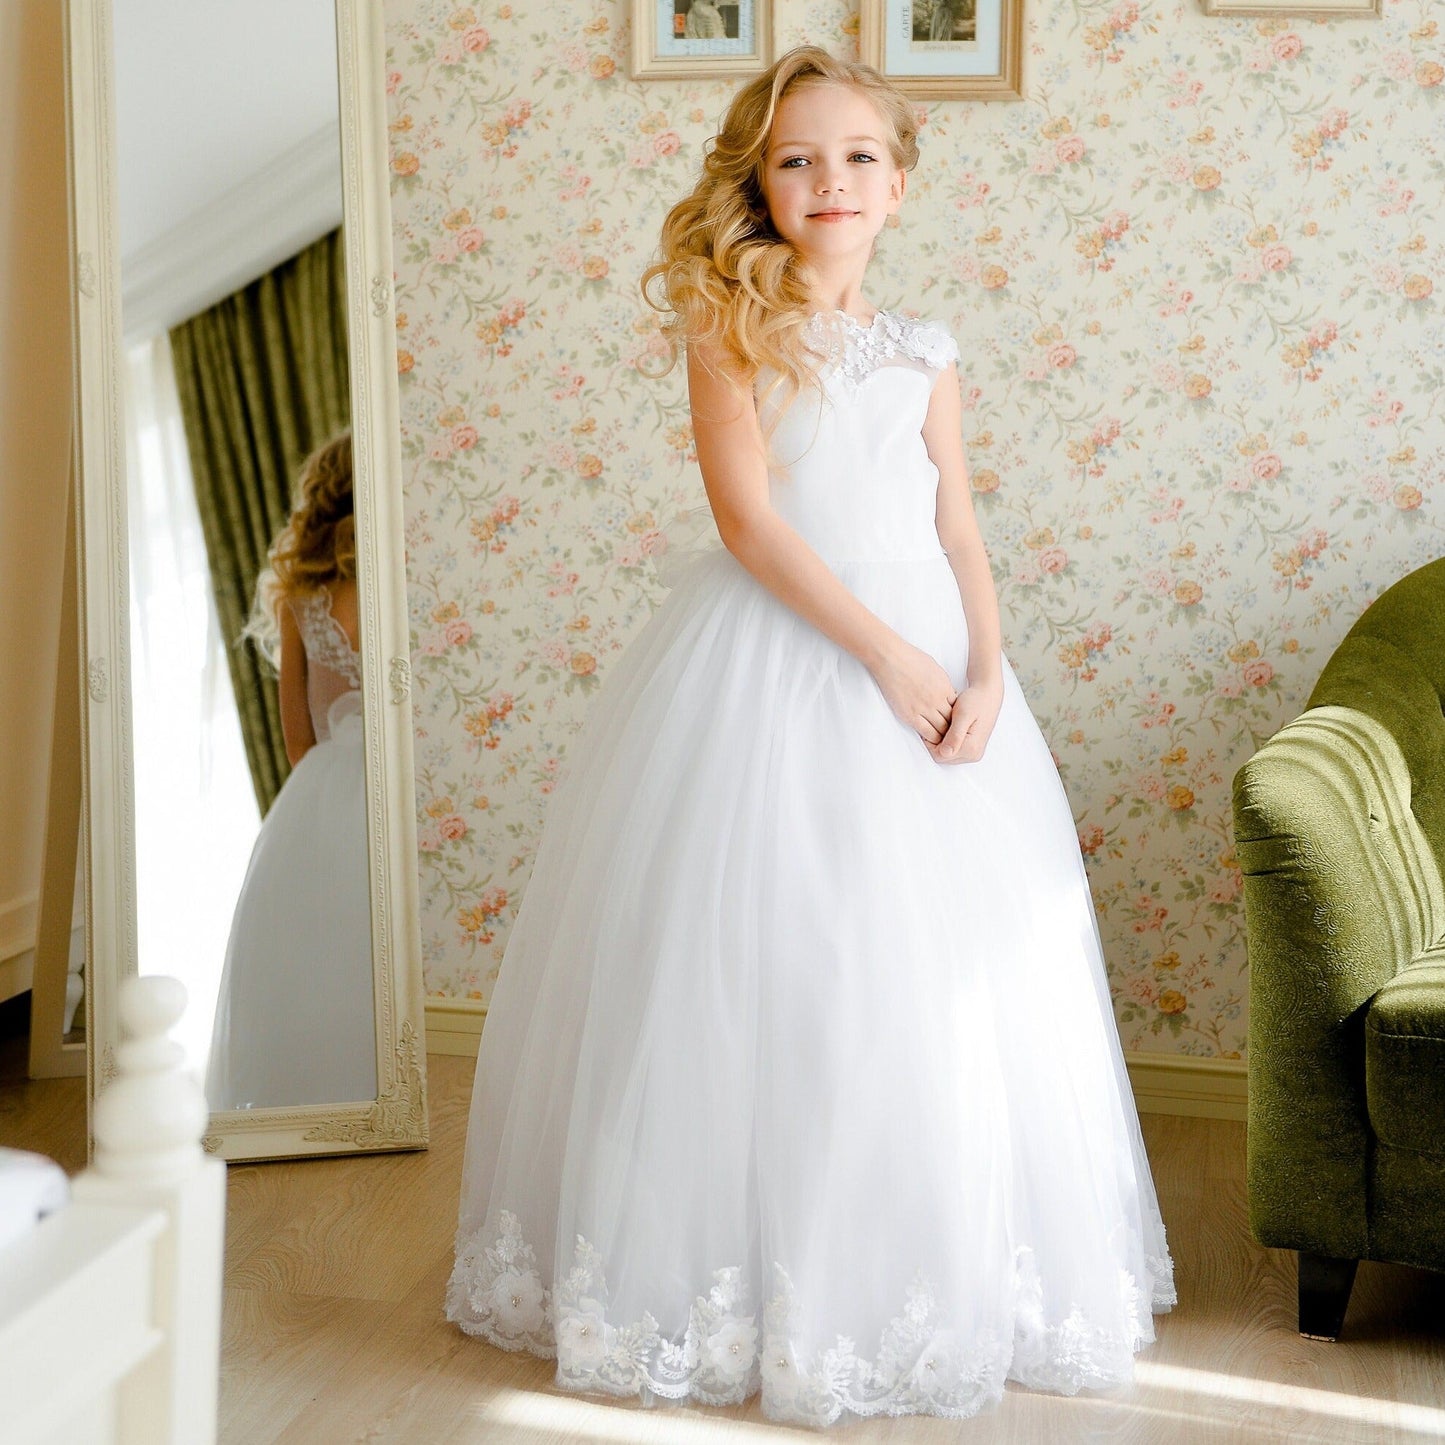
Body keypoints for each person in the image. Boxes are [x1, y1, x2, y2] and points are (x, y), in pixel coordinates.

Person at [446, 46, 1174, 1426]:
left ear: (898, 184)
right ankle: (753, 1272)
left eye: (854, 158)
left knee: (930, 979)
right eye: (794, 159)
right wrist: (887, 655)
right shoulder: (731, 325)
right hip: (784, 661)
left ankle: (918, 1265)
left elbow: (955, 521)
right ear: (758, 184)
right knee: (772, 961)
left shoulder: (927, 352)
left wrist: (989, 667)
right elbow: (750, 522)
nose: (827, 181)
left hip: (938, 674)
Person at [204, 432, 378, 1112]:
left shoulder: (298, 598)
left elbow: (298, 742)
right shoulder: (403, 571)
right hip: (399, 785)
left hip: (321, 795)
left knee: (311, 957)